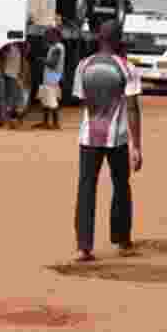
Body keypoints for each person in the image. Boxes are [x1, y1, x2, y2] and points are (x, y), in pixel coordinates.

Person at [71, 20, 143, 261]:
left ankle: (84, 246)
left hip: (88, 137)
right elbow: (132, 108)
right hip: (117, 138)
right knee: (121, 186)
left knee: (86, 187)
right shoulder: (127, 67)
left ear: (99, 38)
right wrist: (137, 146)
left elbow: (83, 100)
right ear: (119, 39)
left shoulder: (83, 66)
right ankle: (122, 239)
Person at [36, 27, 66, 130]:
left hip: (52, 75)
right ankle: (45, 122)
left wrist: (41, 60)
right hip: (52, 75)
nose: (46, 37)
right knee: (46, 98)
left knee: (51, 99)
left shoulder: (57, 47)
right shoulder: (55, 47)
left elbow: (52, 64)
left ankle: (55, 123)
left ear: (55, 36)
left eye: (48, 35)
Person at [0, 41, 28, 129]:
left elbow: (21, 61)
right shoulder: (9, 46)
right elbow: (3, 58)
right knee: (11, 99)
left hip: (15, 75)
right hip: (10, 75)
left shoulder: (18, 48)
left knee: (16, 99)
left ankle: (12, 120)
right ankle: (8, 121)